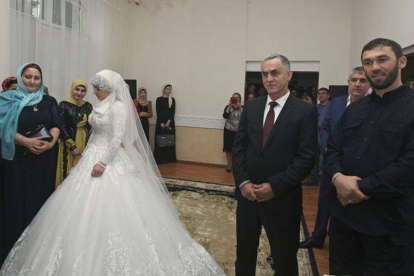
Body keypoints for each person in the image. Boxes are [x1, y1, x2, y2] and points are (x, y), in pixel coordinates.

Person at [0, 70, 225, 275]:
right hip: (91, 153)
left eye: (98, 87)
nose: (94, 91)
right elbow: (93, 131)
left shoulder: (118, 106)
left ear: (109, 88)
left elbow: (117, 138)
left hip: (107, 159)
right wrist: (88, 155)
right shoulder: (98, 105)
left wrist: (103, 163)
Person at [326, 38, 414, 275]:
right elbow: (333, 148)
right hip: (344, 220)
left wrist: (359, 188)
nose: (374, 67)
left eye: (382, 59)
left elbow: (409, 165)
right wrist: (337, 178)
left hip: (388, 225)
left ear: (402, 61)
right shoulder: (355, 108)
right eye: (368, 62)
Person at [232, 54, 318, 275]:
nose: (269, 78)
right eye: (264, 74)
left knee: (284, 259)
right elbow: (239, 147)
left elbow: (306, 159)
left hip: (282, 199)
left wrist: (274, 187)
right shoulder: (251, 107)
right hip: (248, 198)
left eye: (275, 73)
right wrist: (242, 182)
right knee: (244, 254)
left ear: (288, 75)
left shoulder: (305, 110)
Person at [300, 67, 370, 249]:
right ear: (348, 82)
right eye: (354, 80)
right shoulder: (336, 103)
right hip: (331, 164)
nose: (357, 84)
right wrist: (326, 150)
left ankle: (345, 242)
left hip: (355, 170)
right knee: (324, 202)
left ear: (369, 84)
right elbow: (324, 128)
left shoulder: (373, 105)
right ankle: (317, 237)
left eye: (362, 80)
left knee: (350, 206)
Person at [0, 63, 61, 264]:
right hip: (17, 161)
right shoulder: (6, 99)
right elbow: (2, 128)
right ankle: (13, 251)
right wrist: (25, 141)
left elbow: (56, 125)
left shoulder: (49, 100)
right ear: (20, 78)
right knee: (17, 201)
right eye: (28, 77)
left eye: (36, 78)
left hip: (43, 162)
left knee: (40, 202)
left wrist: (50, 143)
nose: (32, 81)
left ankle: (37, 251)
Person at [55, 79, 93, 187]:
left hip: (84, 140)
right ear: (72, 89)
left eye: (82, 91)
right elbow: (61, 127)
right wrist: (72, 147)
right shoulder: (64, 104)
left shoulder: (88, 105)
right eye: (77, 89)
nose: (79, 93)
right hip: (69, 141)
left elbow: (92, 125)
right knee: (68, 169)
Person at [302, 87, 330, 186]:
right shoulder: (315, 107)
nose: (321, 95)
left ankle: (326, 181)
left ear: (328, 96)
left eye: (323, 93)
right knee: (314, 159)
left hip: (327, 137)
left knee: (328, 159)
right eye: (319, 94)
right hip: (315, 136)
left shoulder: (331, 107)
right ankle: (313, 180)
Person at [154, 84, 176, 164]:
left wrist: (168, 122)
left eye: (170, 89)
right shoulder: (158, 99)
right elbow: (158, 111)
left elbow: (172, 112)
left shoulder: (172, 99)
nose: (169, 90)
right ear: (164, 89)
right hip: (160, 123)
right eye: (167, 89)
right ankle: (160, 159)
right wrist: (161, 123)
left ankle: (169, 159)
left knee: (169, 140)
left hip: (170, 123)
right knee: (161, 140)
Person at [223, 92, 243, 173]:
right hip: (228, 130)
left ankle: (236, 166)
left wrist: (239, 107)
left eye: (237, 97)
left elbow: (245, 117)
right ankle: (229, 165)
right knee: (228, 149)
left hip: (239, 132)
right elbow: (225, 116)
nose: (235, 98)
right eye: (234, 97)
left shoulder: (243, 107)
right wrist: (229, 106)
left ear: (240, 99)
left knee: (238, 149)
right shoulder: (228, 107)